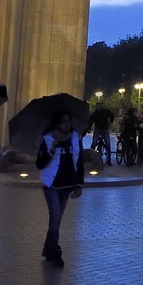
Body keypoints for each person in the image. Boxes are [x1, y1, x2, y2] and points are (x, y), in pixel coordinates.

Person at [36, 110, 85, 267]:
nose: (67, 124)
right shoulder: (48, 138)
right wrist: (51, 151)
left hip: (67, 183)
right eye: (63, 121)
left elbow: (79, 162)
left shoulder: (75, 138)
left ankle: (48, 247)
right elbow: (39, 163)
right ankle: (55, 252)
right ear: (57, 123)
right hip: (51, 184)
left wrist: (79, 184)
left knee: (56, 219)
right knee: (55, 216)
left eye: (68, 121)